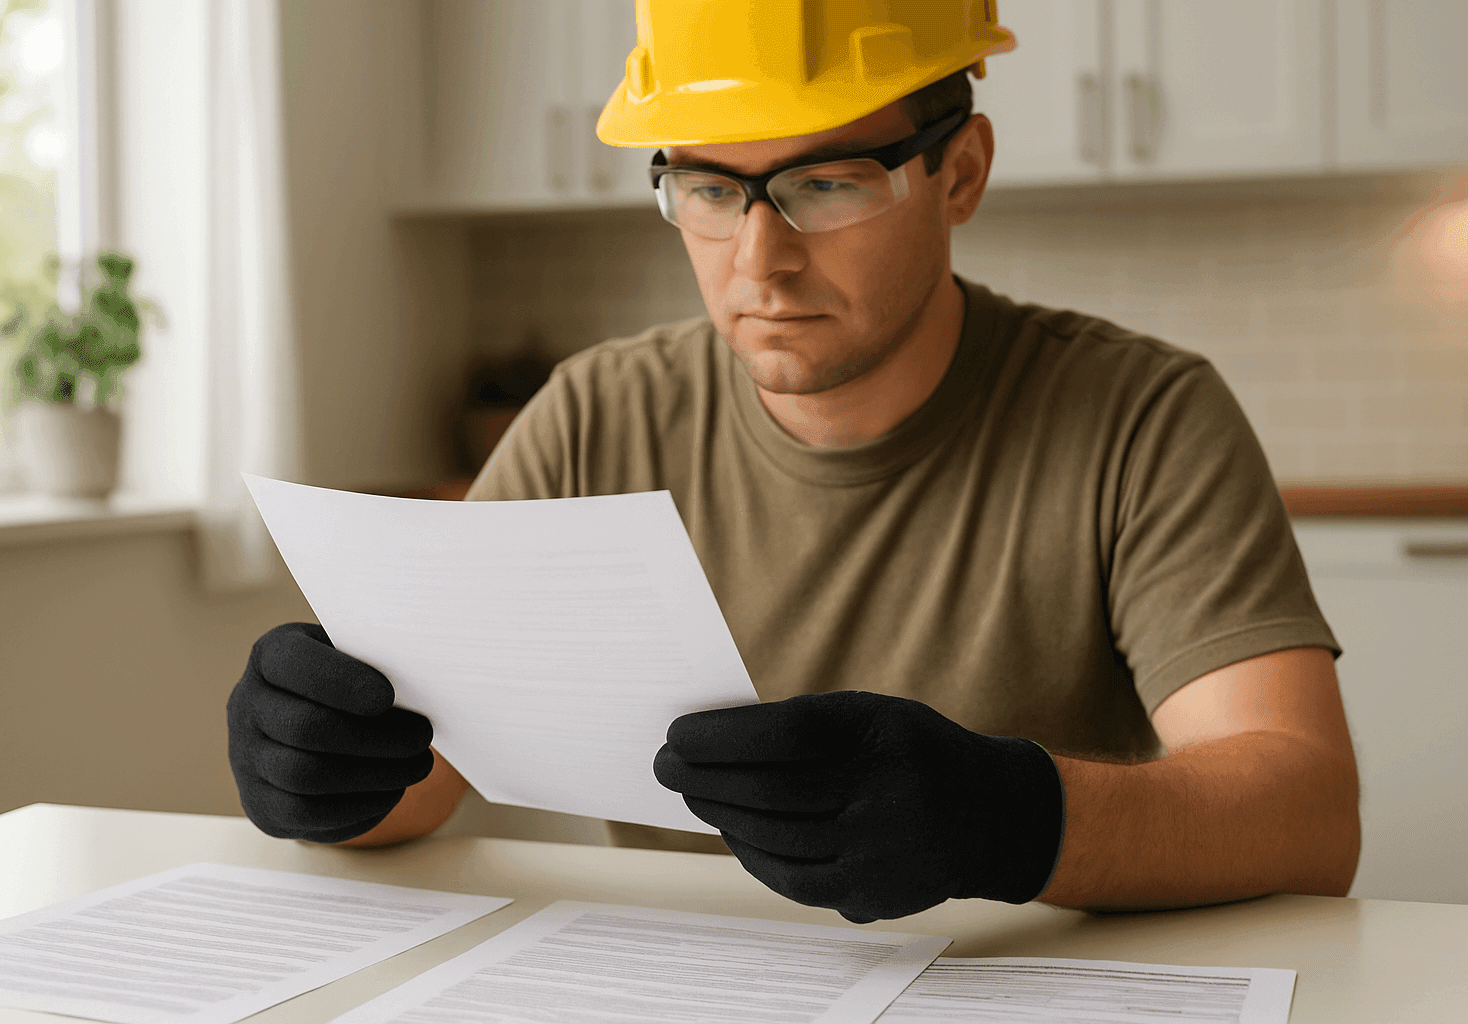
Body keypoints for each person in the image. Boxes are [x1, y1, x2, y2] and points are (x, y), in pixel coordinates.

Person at [228, 2, 1360, 920]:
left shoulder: (1142, 415)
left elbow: (1306, 814)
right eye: (713, 189)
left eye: (826, 183)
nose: (759, 259)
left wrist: (1008, 818)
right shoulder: (596, 415)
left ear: (959, 173)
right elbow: (431, 778)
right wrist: (326, 765)